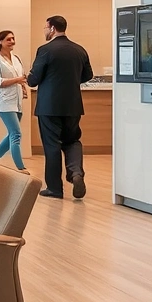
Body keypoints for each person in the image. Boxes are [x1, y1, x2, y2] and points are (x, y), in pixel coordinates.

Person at [27, 15, 93, 199]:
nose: (45, 31)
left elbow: (33, 80)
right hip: (72, 104)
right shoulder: (79, 50)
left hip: (49, 106)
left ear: (52, 28)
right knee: (72, 140)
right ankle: (76, 173)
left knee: (52, 145)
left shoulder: (45, 50)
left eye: (45, 28)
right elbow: (88, 75)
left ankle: (55, 189)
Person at [0, 30, 28, 170]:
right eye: (8, 39)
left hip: (17, 101)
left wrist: (22, 84)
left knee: (12, 133)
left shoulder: (16, 58)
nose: (12, 41)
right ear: (0, 42)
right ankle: (21, 168)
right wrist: (18, 80)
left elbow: (22, 76)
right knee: (16, 134)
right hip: (4, 102)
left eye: (13, 38)